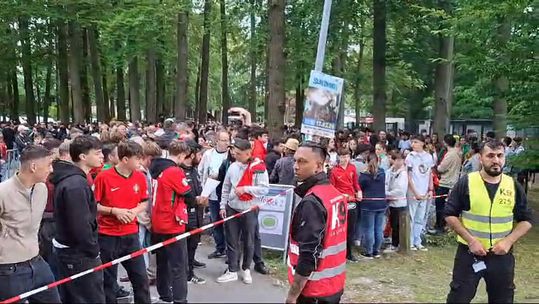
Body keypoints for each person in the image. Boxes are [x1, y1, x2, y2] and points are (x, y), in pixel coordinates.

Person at [444, 140, 533, 303]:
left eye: (500, 155)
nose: (496, 160)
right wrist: (471, 241)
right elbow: (450, 214)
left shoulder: (513, 185)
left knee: (503, 299)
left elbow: (527, 220)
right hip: (470, 254)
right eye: (490, 156)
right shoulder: (467, 182)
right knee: (459, 297)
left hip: (501, 255)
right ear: (481, 158)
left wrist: (508, 241)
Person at [285, 142, 346, 304]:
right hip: (334, 285)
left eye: (302, 162)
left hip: (314, 291)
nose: (295, 167)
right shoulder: (334, 194)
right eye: (295, 160)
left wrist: (292, 296)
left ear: (319, 166)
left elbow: (309, 255)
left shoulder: (312, 202)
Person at [0, 145, 61, 303]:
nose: (51, 169)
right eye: (48, 164)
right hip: (8, 269)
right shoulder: (3, 192)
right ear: (33, 167)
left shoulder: (42, 189)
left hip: (37, 261)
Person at [93, 141, 151, 304]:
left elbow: (144, 202)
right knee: (108, 282)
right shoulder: (103, 177)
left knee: (141, 279)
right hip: (108, 236)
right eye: (137, 159)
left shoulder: (140, 177)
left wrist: (134, 211)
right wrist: (114, 211)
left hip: (131, 235)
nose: (140, 163)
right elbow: (94, 205)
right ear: (125, 159)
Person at [52, 135, 105, 303]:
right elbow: (80, 225)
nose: (102, 156)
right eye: (97, 153)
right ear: (83, 156)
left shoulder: (76, 180)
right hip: (78, 255)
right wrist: (93, 250)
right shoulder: (75, 185)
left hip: (74, 252)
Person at [149, 140, 200, 304]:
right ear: (180, 155)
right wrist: (198, 200)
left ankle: (164, 293)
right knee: (179, 264)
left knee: (162, 261)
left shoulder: (157, 168)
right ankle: (180, 298)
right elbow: (188, 195)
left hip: (157, 220)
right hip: (172, 222)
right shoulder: (174, 171)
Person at [217, 138, 269, 284]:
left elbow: (264, 189)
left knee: (249, 240)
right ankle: (232, 269)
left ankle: (246, 268)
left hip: (249, 209)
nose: (235, 155)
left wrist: (245, 189)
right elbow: (226, 187)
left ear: (248, 153)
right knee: (231, 240)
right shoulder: (233, 167)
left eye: (239, 153)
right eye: (234, 152)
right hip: (232, 207)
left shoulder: (258, 168)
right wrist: (222, 205)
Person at [179, 139, 209, 285]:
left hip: (197, 216)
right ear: (191, 155)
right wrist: (196, 200)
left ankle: (189, 272)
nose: (201, 157)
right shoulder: (180, 172)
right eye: (198, 154)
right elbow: (182, 196)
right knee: (185, 249)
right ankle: (187, 275)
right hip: (186, 217)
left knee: (192, 247)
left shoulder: (194, 170)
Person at [198, 130, 230, 259]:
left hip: (225, 194)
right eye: (223, 140)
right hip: (211, 194)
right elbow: (201, 171)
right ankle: (219, 247)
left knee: (228, 224)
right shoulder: (208, 154)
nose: (226, 143)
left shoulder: (230, 156)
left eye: (228, 140)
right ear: (217, 141)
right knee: (215, 222)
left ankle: (230, 251)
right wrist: (204, 189)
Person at [329, 147, 362, 262]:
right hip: (340, 202)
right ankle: (338, 253)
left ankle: (349, 253)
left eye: (347, 156)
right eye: (343, 156)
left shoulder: (352, 168)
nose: (345, 159)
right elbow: (332, 188)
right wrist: (341, 195)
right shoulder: (334, 171)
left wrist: (359, 192)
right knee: (339, 229)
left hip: (352, 201)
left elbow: (355, 183)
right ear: (339, 157)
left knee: (351, 229)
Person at [405, 135, 434, 251]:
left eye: (416, 142)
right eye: (412, 142)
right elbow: (409, 176)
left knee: (420, 218)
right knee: (411, 217)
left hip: (424, 191)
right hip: (413, 191)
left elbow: (430, 174)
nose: (413, 145)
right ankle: (410, 241)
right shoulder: (410, 157)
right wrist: (415, 192)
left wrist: (430, 189)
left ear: (422, 143)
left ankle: (418, 240)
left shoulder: (428, 157)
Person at [358, 152, 387, 259]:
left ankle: (368, 250)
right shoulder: (382, 173)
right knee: (378, 228)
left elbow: (359, 187)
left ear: (366, 161)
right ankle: (376, 250)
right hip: (381, 203)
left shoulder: (364, 176)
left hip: (368, 204)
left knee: (369, 228)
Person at [433, 134, 462, 234]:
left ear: (445, 142)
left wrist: (437, 167)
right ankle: (444, 225)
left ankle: (440, 226)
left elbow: (441, 168)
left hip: (446, 182)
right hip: (454, 180)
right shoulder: (459, 153)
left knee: (440, 205)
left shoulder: (450, 154)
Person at [384, 152, 408, 252]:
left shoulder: (403, 173)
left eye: (400, 160)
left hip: (399, 203)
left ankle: (396, 244)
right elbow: (385, 183)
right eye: (396, 160)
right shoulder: (389, 171)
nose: (398, 162)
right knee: (393, 224)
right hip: (390, 202)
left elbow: (401, 190)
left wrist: (388, 194)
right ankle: (393, 242)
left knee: (397, 225)